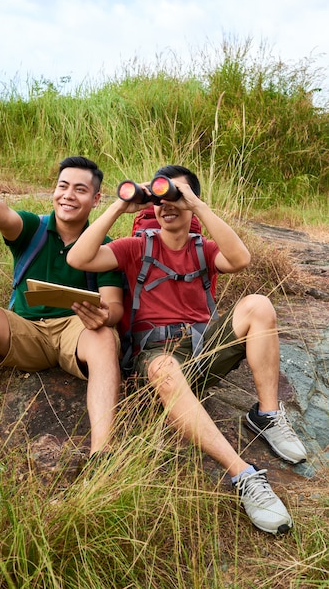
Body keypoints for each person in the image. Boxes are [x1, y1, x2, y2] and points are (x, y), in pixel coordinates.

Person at [67, 164, 308, 535]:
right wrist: (120, 206)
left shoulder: (204, 249)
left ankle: (266, 415)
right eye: (162, 199)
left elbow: (241, 260)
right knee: (165, 368)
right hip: (156, 358)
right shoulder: (136, 246)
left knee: (259, 305)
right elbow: (79, 259)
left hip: (200, 350)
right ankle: (243, 474)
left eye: (177, 196)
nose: (168, 205)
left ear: (192, 201)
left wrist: (196, 204)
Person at [0, 156, 124, 490]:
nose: (68, 195)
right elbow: (4, 216)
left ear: (96, 200)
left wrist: (104, 316)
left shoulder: (107, 248)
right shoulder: (34, 229)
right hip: (28, 330)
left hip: (76, 332)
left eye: (80, 189)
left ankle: (102, 454)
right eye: (62, 186)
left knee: (105, 336)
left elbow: (114, 305)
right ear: (54, 191)